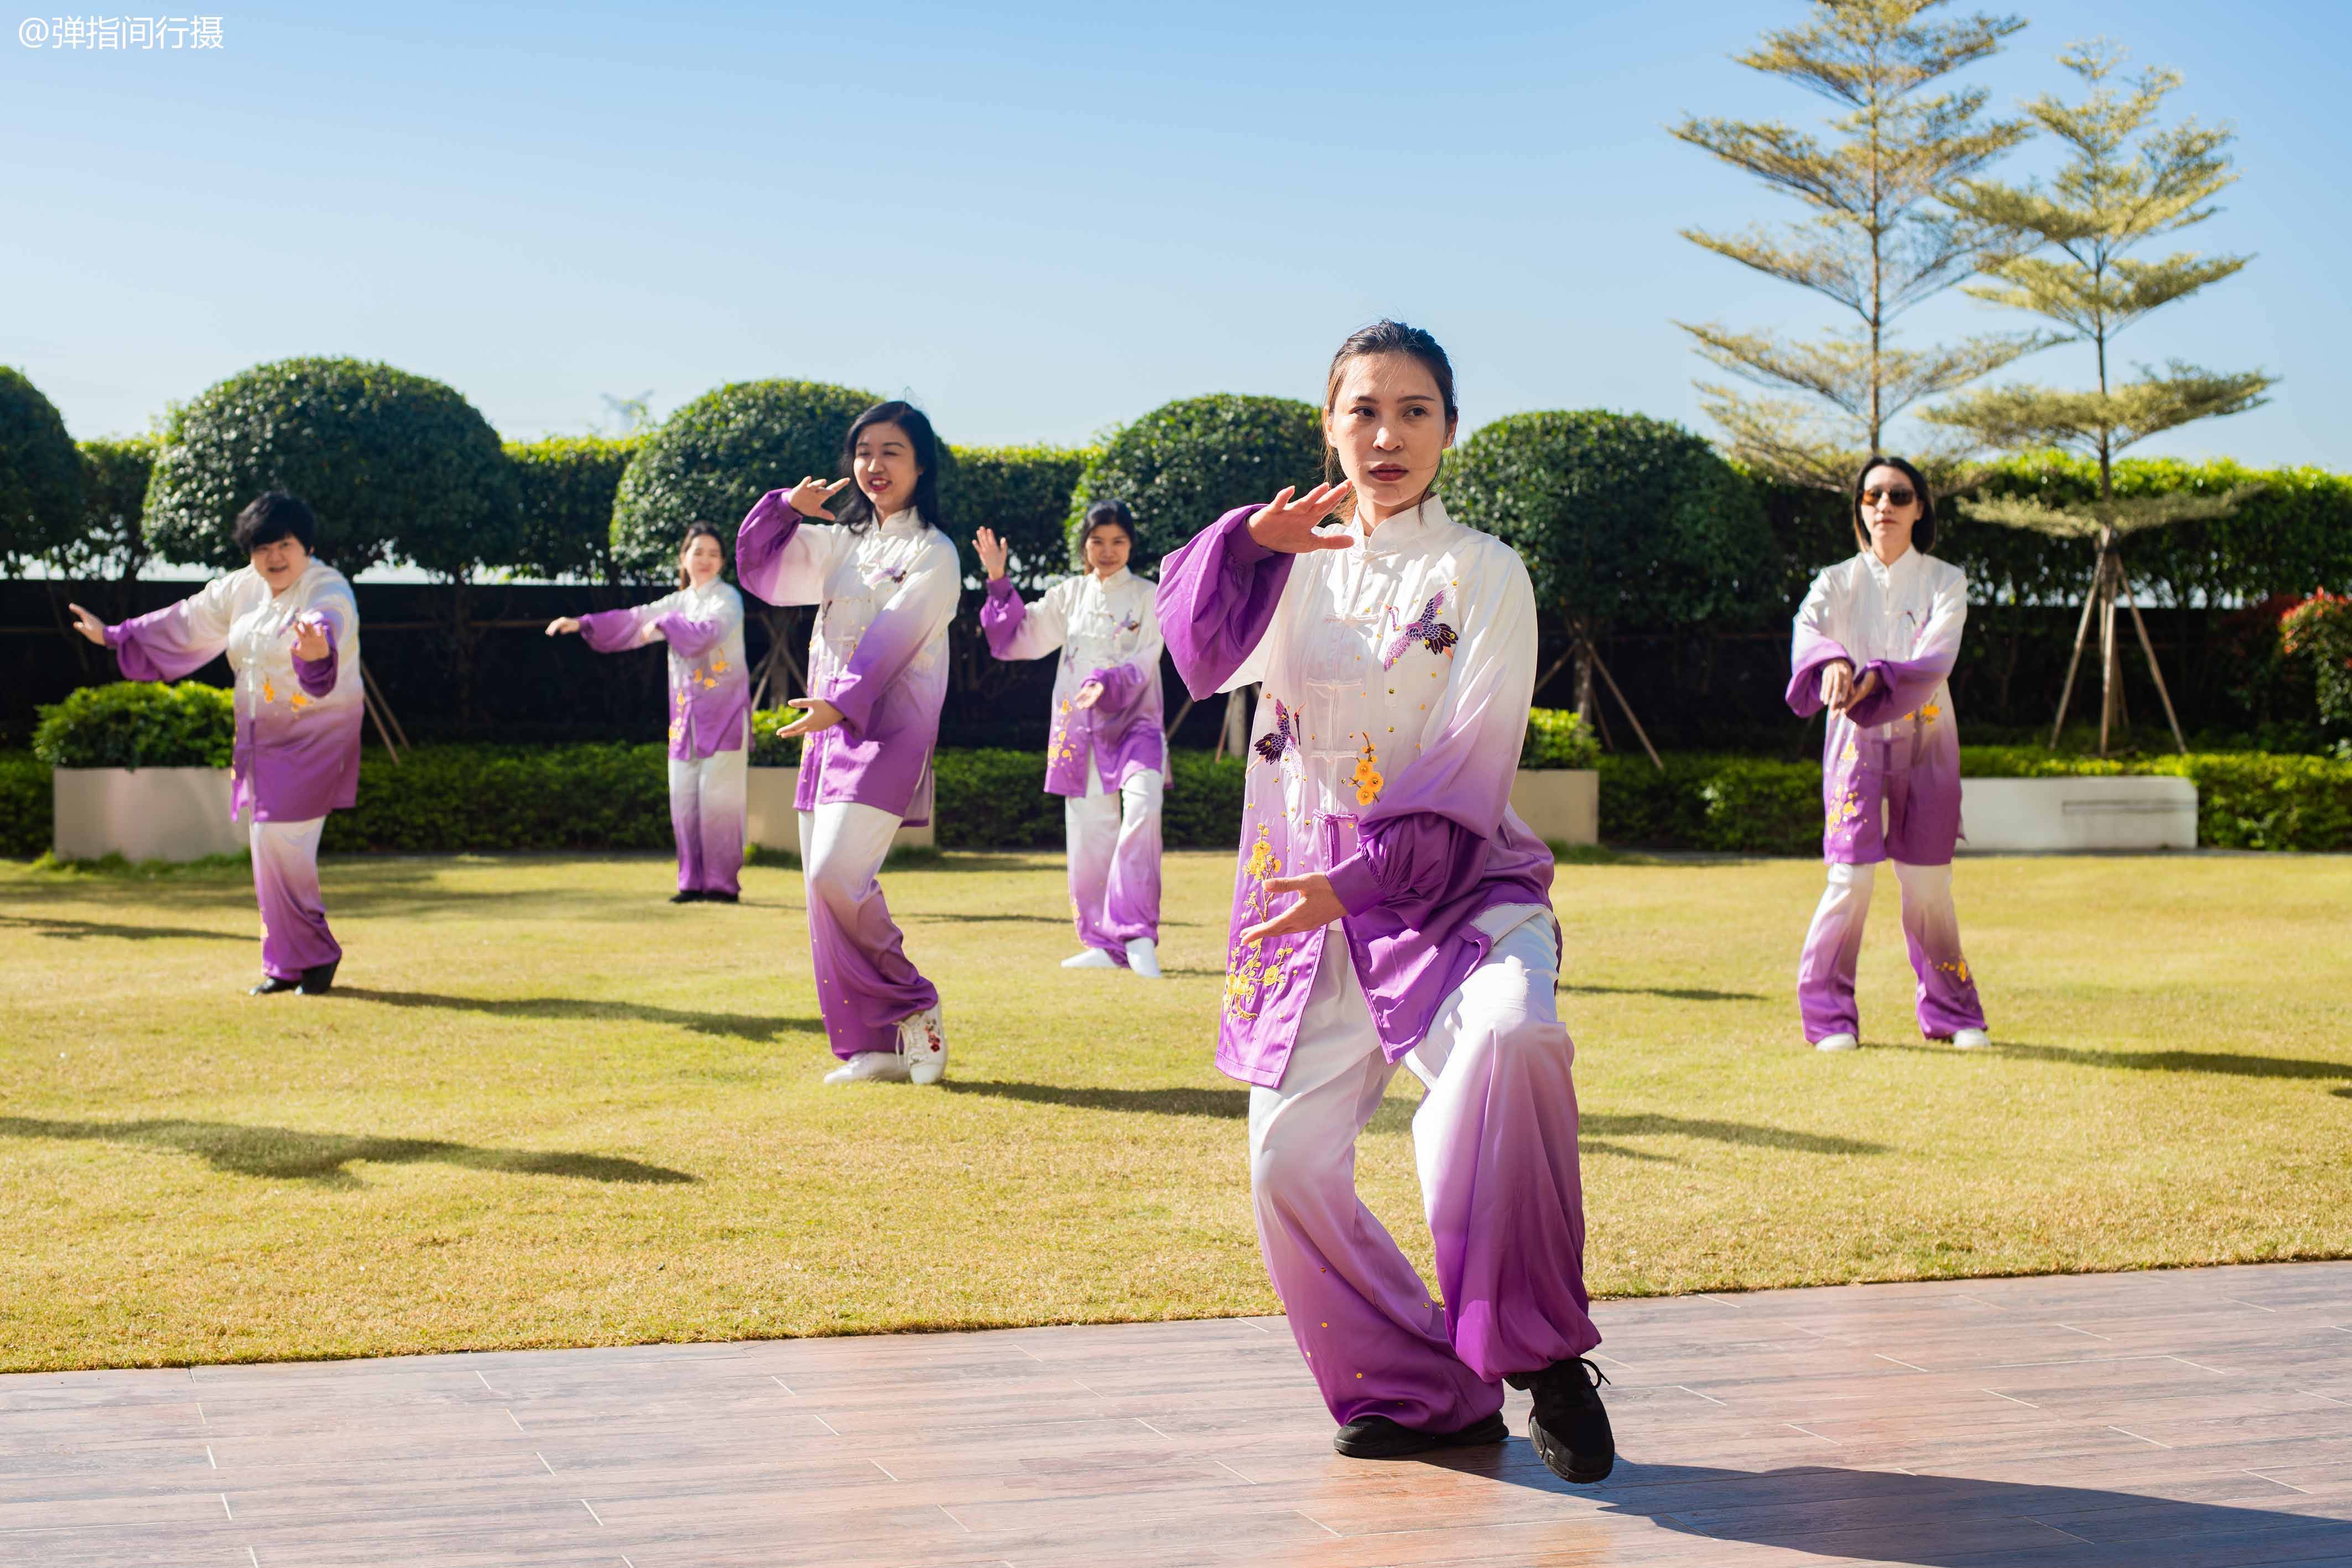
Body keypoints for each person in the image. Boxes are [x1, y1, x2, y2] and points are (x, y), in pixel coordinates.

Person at [1156, 321, 1612, 1483]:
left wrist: (1357, 877)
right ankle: (1418, 1391)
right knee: (1284, 1166)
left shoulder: (1484, 572)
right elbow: (1196, 648)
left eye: (1414, 410)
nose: (1386, 433)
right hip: (1313, 921)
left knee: (1511, 1041)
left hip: (1455, 894)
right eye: (1361, 410)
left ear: (1449, 430)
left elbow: (1467, 763)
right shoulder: (1291, 565)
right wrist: (1242, 542)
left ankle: (1539, 1353)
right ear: (1327, 427)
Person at [736, 401, 959, 1085]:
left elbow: (901, 632)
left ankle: (915, 1005)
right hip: (826, 736)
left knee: (836, 871)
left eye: (892, 451)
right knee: (821, 888)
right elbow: (762, 572)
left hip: (890, 731)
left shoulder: (936, 552)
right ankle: (874, 1046)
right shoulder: (840, 545)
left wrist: (842, 701)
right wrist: (780, 508)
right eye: (864, 451)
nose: (874, 465)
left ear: (921, 464)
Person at [67, 491, 361, 996]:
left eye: (285, 545)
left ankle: (316, 957)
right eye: (263, 547)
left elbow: (328, 621)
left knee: (282, 843)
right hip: (258, 739)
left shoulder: (327, 586)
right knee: (265, 848)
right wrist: (116, 635)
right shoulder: (243, 588)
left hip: (315, 738)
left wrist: (318, 647)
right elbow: (186, 618)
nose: (274, 558)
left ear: (306, 546)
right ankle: (285, 964)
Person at [1786, 456, 1991, 1053]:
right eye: (1871, 495)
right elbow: (1808, 628)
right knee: (1849, 880)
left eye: (1899, 495)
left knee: (1928, 886)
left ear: (1919, 507)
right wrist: (1830, 661)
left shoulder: (1945, 580)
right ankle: (1829, 1019)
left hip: (1929, 741)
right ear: (1859, 507)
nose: (1884, 506)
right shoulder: (1835, 580)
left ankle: (1952, 1011)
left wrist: (1873, 678)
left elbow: (1935, 659)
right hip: (1853, 744)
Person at [975, 500, 1168, 978]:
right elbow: (1017, 637)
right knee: (1089, 832)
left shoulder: (1150, 594)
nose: (1107, 550)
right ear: (1084, 544)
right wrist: (999, 580)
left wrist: (1108, 681)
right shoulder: (1069, 595)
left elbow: (1148, 657)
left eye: (1118, 541)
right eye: (1098, 540)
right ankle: (1103, 942)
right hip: (1078, 727)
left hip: (1135, 721)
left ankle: (1138, 932)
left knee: (1143, 807)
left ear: (1131, 546)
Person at [547, 524, 749, 904]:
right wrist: (583, 623)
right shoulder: (677, 602)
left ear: (723, 562)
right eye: (698, 552)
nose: (705, 560)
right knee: (684, 800)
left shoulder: (728, 600)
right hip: (684, 720)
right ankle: (691, 883)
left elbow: (704, 635)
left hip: (723, 718)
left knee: (719, 802)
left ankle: (722, 885)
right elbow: (634, 619)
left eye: (713, 554)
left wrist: (665, 625)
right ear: (684, 557)